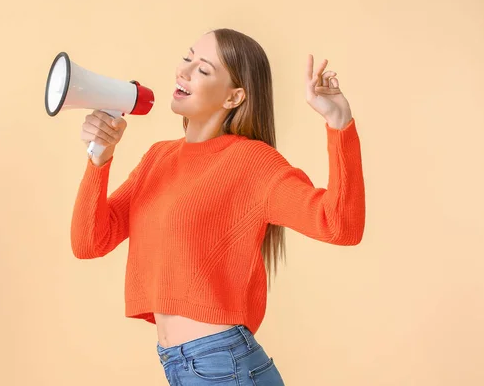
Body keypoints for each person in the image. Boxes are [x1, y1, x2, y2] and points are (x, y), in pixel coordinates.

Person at [71, 28, 366, 385]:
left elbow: (340, 226)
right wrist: (99, 158)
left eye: (204, 69)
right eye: (187, 58)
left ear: (234, 96)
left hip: (224, 367)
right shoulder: (158, 158)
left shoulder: (252, 162)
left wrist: (339, 124)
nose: (184, 71)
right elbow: (89, 242)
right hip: (184, 366)